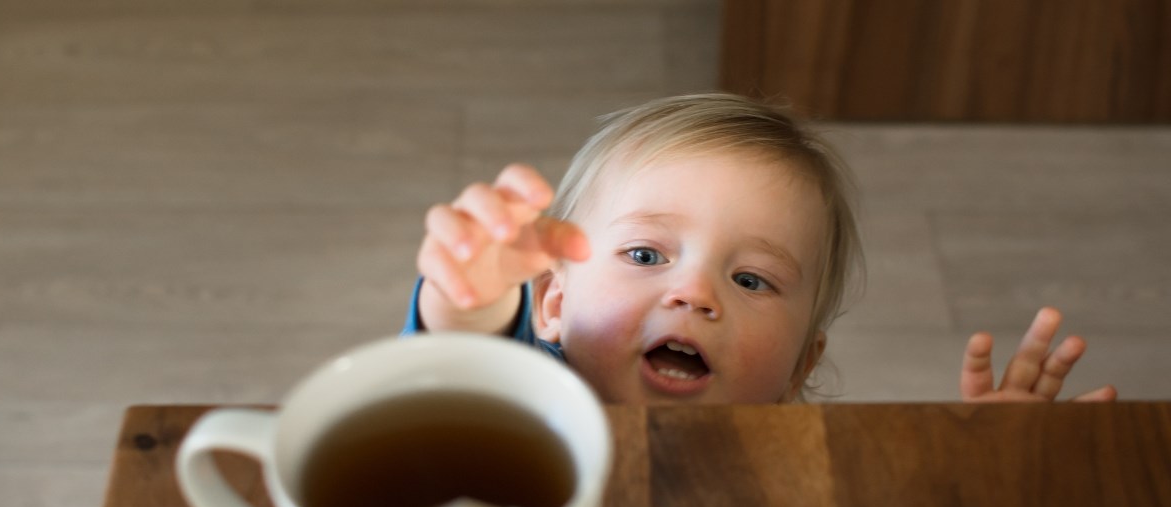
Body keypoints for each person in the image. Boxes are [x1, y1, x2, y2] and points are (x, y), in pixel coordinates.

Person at [403, 93, 1116, 404]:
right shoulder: (520, 401)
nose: (695, 293)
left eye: (751, 279)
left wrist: (985, 460)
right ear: (555, 302)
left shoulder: (809, 467)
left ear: (801, 362)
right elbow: (463, 362)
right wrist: (470, 295)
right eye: (647, 256)